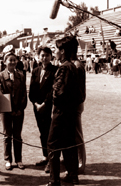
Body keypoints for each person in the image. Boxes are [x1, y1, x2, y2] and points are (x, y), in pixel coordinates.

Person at [46, 35, 83, 186]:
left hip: (61, 113)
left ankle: (54, 180)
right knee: (69, 143)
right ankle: (73, 175)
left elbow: (58, 93)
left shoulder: (64, 67)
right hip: (70, 113)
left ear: (62, 51)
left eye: (56, 49)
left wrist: (54, 95)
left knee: (53, 144)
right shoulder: (73, 66)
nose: (54, 51)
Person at [0, 51, 27, 171]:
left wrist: (20, 109)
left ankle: (19, 159)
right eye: (10, 60)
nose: (12, 62)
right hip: (6, 112)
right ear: (4, 62)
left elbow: (24, 94)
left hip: (19, 111)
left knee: (18, 135)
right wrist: (9, 110)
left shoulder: (21, 76)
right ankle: (8, 160)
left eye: (14, 60)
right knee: (7, 135)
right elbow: (1, 96)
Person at [29, 46, 58, 173]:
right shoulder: (35, 71)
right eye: (42, 55)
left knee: (51, 134)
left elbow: (52, 90)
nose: (44, 58)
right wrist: (35, 103)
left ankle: (52, 161)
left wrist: (44, 104)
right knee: (42, 133)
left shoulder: (55, 70)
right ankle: (45, 156)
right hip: (37, 107)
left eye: (47, 55)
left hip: (49, 107)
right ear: (38, 56)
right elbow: (32, 89)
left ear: (51, 56)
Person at [70, 43, 87, 175]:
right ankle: (74, 160)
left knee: (77, 135)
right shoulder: (74, 64)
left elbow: (77, 89)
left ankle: (81, 163)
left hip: (75, 104)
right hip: (73, 103)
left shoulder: (76, 65)